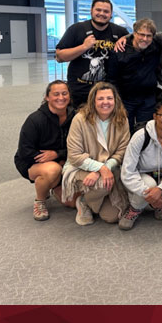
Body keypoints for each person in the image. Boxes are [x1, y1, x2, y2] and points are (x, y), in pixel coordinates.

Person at [61, 82, 131, 225]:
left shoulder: (122, 119)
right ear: (93, 101)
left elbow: (122, 152)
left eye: (109, 98)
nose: (105, 102)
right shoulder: (80, 119)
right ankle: (83, 202)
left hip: (110, 167)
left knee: (111, 217)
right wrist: (100, 168)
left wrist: (103, 168)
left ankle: (89, 198)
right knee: (102, 184)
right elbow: (74, 155)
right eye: (100, 99)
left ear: (115, 100)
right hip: (79, 167)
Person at [118, 100, 162, 230]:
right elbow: (127, 171)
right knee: (150, 185)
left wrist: (161, 189)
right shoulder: (140, 136)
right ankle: (135, 208)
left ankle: (156, 202)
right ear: (155, 116)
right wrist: (150, 195)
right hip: (142, 175)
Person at [14, 80, 77, 221]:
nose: (61, 97)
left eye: (64, 93)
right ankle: (40, 200)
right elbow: (25, 151)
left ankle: (52, 185)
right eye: (56, 94)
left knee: (72, 203)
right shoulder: (35, 119)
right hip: (31, 161)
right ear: (47, 97)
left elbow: (79, 146)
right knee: (52, 170)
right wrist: (54, 161)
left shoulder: (75, 117)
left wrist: (58, 154)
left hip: (61, 160)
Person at [55, 0, 128, 108]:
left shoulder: (119, 32)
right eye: (98, 10)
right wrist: (83, 47)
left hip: (107, 93)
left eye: (106, 11)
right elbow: (59, 57)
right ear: (91, 10)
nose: (102, 13)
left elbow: (139, 40)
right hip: (80, 91)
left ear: (111, 14)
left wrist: (126, 38)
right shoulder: (76, 29)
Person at [106, 18, 160, 131]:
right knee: (124, 132)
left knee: (145, 133)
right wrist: (117, 101)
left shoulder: (155, 47)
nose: (145, 39)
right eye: (141, 34)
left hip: (148, 99)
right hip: (126, 100)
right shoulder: (119, 51)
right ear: (134, 33)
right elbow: (112, 79)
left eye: (149, 36)